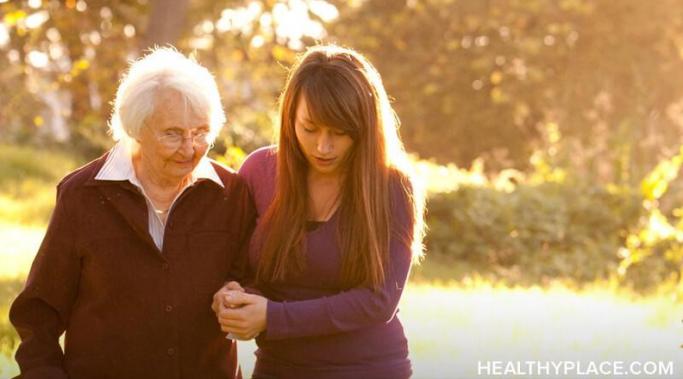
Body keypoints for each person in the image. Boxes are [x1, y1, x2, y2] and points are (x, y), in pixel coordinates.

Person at [9, 47, 255, 379]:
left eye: (201, 133)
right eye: (172, 134)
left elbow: (251, 279)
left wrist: (239, 293)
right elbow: (39, 313)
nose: (190, 148)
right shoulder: (82, 196)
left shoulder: (231, 193)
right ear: (135, 128)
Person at [212, 45, 426, 379]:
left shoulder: (392, 186)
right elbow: (239, 267)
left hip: (368, 370)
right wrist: (235, 295)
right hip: (277, 369)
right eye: (309, 128)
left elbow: (378, 300)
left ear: (364, 128)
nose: (323, 147)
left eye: (339, 133)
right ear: (289, 117)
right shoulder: (258, 171)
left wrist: (273, 317)